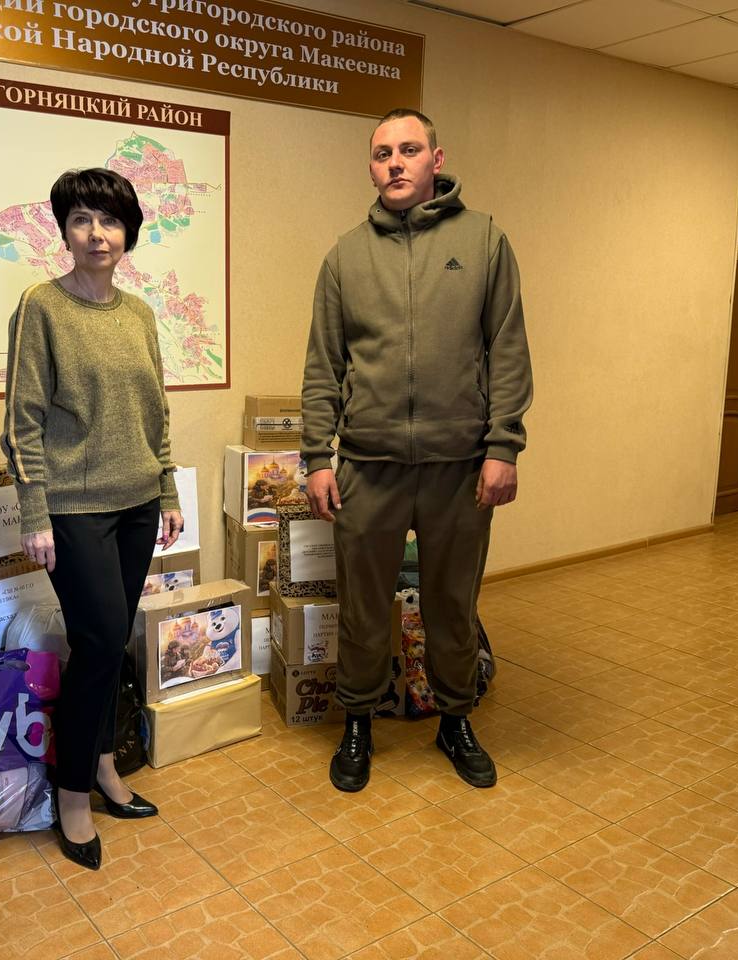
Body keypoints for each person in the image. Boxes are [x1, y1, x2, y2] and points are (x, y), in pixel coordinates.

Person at [302, 108, 532, 793]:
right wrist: (317, 457)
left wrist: (503, 446)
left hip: (459, 467)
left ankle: (455, 719)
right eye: (382, 154)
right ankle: (357, 721)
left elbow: (508, 350)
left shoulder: (484, 241)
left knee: (451, 606)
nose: (395, 163)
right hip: (368, 467)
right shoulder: (345, 256)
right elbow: (323, 365)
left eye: (409, 149)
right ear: (371, 167)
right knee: (363, 608)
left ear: (437, 158)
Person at [0, 167, 184, 869]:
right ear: (65, 231)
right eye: (81, 219)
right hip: (74, 510)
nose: (96, 234)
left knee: (111, 643)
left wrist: (167, 491)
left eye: (109, 221)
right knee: (99, 642)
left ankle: (104, 765)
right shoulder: (41, 307)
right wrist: (34, 511)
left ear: (127, 232)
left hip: (137, 504)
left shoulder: (139, 315)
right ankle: (72, 794)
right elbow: (22, 420)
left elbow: (155, 412)